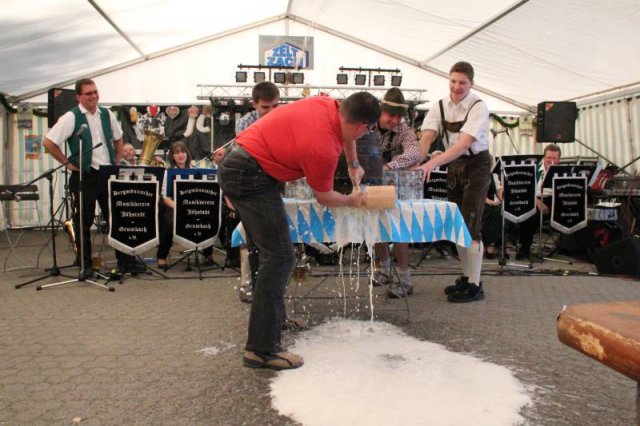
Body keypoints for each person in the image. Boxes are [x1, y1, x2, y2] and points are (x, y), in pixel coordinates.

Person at [217, 92, 379, 370]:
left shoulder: (327, 102)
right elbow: (326, 198)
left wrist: (354, 163)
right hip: (248, 172)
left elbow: (348, 134)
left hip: (242, 163)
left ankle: (273, 322)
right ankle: (261, 349)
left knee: (264, 252)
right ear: (364, 127)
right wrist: (352, 200)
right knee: (279, 257)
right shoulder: (322, 147)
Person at [42, 78, 143, 273]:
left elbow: (118, 138)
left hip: (106, 174)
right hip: (84, 175)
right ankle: (85, 264)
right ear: (79, 96)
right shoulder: (71, 117)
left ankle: (125, 262)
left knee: (116, 219)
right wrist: (67, 163)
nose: (94, 96)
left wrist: (117, 161)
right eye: (88, 93)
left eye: (95, 92)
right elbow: (48, 142)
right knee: (83, 222)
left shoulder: (106, 114)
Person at [417, 61, 490, 303]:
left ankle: (475, 285)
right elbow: (427, 135)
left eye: (462, 83)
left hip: (476, 166)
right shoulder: (440, 105)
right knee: (457, 224)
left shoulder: (479, 107)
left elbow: (464, 144)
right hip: (454, 167)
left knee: (471, 224)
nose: (456, 87)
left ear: (472, 83)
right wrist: (418, 160)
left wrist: (433, 163)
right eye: (453, 81)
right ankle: (466, 277)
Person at [371, 88, 422, 297]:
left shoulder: (404, 130)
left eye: (399, 116)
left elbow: (414, 152)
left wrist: (389, 166)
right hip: (372, 185)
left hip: (397, 188)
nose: (395, 120)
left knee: (400, 232)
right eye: (391, 115)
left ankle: (404, 279)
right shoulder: (367, 126)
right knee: (376, 228)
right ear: (381, 112)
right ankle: (384, 271)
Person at [156, 141, 214, 268]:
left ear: (187, 154)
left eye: (182, 152)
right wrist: (180, 208)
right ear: (172, 156)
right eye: (177, 153)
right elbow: (165, 197)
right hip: (174, 206)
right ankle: (161, 256)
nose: (181, 155)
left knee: (206, 217)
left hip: (194, 205)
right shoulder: (168, 173)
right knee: (170, 222)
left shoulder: (196, 170)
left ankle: (208, 254)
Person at [516, 144, 561, 260]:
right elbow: (525, 189)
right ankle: (525, 249)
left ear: (559, 159)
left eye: (555, 158)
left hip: (554, 200)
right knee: (529, 215)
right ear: (544, 158)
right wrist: (537, 202)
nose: (551, 161)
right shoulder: (534, 170)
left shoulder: (562, 172)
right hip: (534, 199)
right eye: (549, 158)